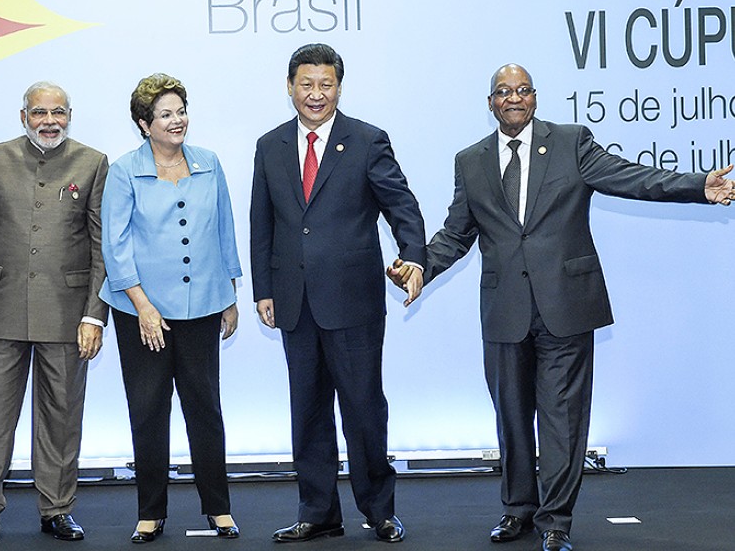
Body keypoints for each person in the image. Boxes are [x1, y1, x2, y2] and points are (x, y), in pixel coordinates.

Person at [387, 63, 735, 551]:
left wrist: (698, 186)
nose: (514, 98)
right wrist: (422, 266)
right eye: (504, 92)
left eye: (523, 90)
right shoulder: (470, 160)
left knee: (562, 417)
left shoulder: (572, 142)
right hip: (505, 308)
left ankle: (555, 522)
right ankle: (517, 511)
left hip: (567, 305)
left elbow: (632, 177)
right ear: (491, 103)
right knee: (511, 416)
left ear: (535, 98)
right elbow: (457, 232)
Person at [250, 43, 427, 544]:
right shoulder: (270, 145)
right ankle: (318, 512)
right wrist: (264, 287)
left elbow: (402, 207)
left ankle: (379, 510)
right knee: (306, 410)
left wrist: (413, 255)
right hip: (294, 300)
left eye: (325, 84)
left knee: (364, 408)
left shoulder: (367, 140)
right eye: (306, 84)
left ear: (339, 87)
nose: (315, 94)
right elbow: (261, 224)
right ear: (290, 87)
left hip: (354, 301)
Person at [0, 81, 109, 542]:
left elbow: (102, 245)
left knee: (62, 414)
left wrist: (94, 314)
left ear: (70, 115)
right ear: (24, 116)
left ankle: (57, 508)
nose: (49, 121)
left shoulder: (93, 162)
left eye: (58, 112)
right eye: (39, 112)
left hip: (67, 313)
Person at [99, 72, 242, 543]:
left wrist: (230, 296)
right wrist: (141, 305)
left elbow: (224, 228)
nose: (177, 120)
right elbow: (114, 244)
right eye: (165, 114)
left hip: (203, 305)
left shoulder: (209, 162)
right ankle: (150, 512)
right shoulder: (123, 171)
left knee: (206, 407)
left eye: (180, 111)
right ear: (144, 124)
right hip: (142, 312)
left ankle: (218, 508)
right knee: (148, 409)